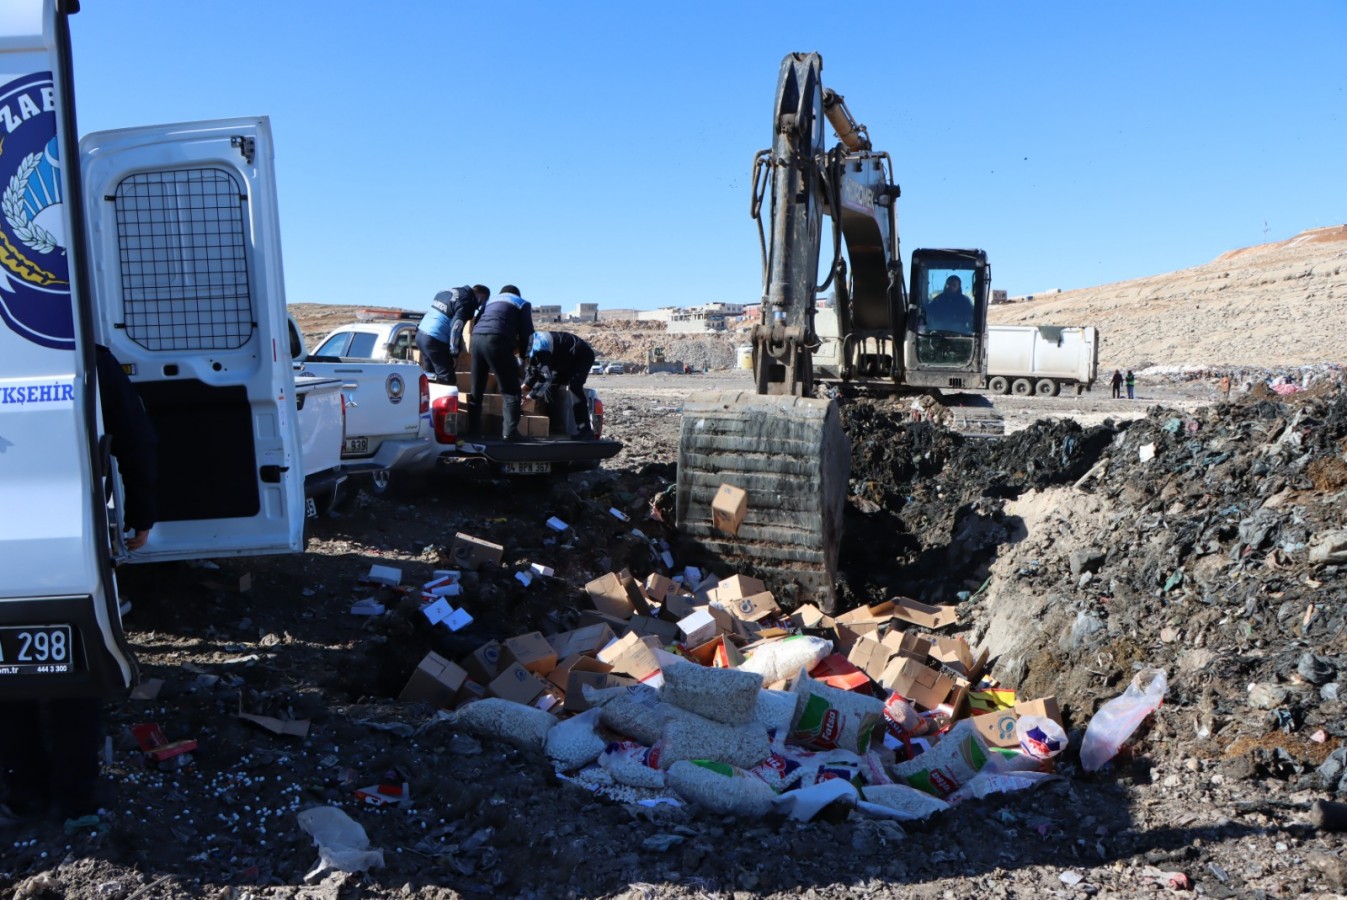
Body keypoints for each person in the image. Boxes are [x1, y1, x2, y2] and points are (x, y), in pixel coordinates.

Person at [0, 346, 158, 827]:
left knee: (6, 670)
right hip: (68, 533)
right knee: (74, 661)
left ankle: (21, 792)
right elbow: (136, 437)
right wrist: (142, 514)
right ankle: (75, 797)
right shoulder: (81, 350)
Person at [468, 284, 534, 440]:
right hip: (496, 340)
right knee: (511, 391)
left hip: (476, 340)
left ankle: (473, 433)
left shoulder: (491, 302)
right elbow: (527, 333)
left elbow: (476, 321)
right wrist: (524, 357)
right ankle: (510, 433)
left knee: (476, 389)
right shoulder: (522, 303)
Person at [524, 331, 597, 439]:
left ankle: (585, 430)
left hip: (581, 355)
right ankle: (556, 426)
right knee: (551, 386)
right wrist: (524, 388)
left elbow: (545, 378)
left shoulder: (539, 348)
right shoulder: (529, 346)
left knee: (575, 387)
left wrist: (530, 397)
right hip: (564, 360)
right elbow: (533, 371)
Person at [415, 284, 490, 384]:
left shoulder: (449, 291)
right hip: (435, 339)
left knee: (431, 376)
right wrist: (454, 352)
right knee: (447, 379)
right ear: (481, 297)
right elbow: (456, 327)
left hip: (420, 335)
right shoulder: (466, 301)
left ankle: (428, 399)